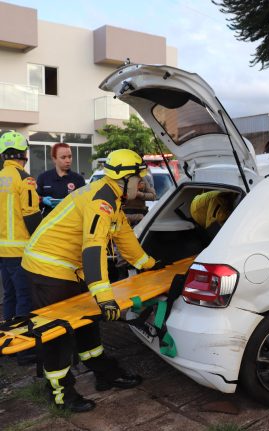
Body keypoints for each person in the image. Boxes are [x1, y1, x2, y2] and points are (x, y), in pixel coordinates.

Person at [22, 149, 162, 413]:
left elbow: (125, 240)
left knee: (88, 321)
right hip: (48, 269)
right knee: (58, 332)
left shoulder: (112, 196)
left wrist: (151, 265)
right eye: (138, 179)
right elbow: (93, 249)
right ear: (125, 179)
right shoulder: (101, 201)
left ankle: (103, 373)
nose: (141, 184)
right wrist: (105, 296)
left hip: (68, 269)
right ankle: (61, 393)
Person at [0, 131, 42, 366]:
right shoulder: (24, 179)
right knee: (25, 297)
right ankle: (25, 350)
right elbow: (30, 214)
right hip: (19, 250)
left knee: (9, 297)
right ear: (24, 153)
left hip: (2, 251)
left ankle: (9, 344)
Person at [36, 143, 85, 216]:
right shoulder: (43, 177)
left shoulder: (78, 179)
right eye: (63, 157)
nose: (68, 160)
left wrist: (70, 202)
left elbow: (84, 203)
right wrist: (42, 200)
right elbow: (34, 200)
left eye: (70, 157)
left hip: (71, 223)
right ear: (54, 159)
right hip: (50, 223)